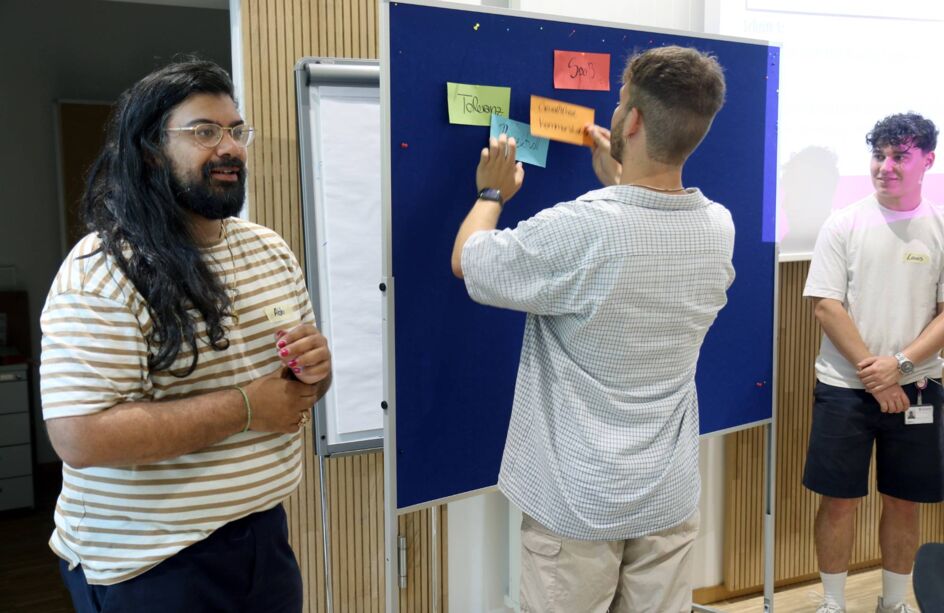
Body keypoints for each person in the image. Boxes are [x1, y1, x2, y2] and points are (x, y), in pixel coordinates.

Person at [39, 59, 331, 613]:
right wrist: (247, 407)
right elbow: (80, 437)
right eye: (204, 131)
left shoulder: (268, 249)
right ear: (151, 149)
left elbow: (301, 387)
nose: (230, 148)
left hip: (262, 538)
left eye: (236, 130)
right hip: (148, 563)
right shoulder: (103, 270)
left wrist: (316, 367)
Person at [451, 46, 733, 612]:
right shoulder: (717, 225)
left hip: (580, 502)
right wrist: (625, 176)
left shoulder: (583, 226)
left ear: (631, 121)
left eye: (620, 103)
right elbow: (645, 228)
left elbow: (469, 261)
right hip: (667, 495)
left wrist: (490, 193)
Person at [803, 112, 944, 613]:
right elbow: (826, 305)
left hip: (917, 388)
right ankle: (834, 604)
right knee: (838, 499)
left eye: (899, 156)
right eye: (879, 155)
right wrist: (875, 372)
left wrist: (901, 366)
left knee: (903, 501)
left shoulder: (939, 227)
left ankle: (893, 602)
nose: (886, 167)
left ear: (927, 160)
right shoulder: (844, 222)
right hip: (844, 387)